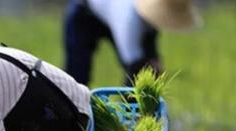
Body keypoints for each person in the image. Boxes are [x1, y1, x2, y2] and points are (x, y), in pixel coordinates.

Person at [64, 0, 202, 85]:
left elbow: (149, 47)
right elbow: (133, 65)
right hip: (84, 13)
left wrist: (154, 62)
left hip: (115, 12)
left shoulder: (149, 14)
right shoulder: (128, 18)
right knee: (77, 78)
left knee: (150, 70)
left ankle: (136, 118)